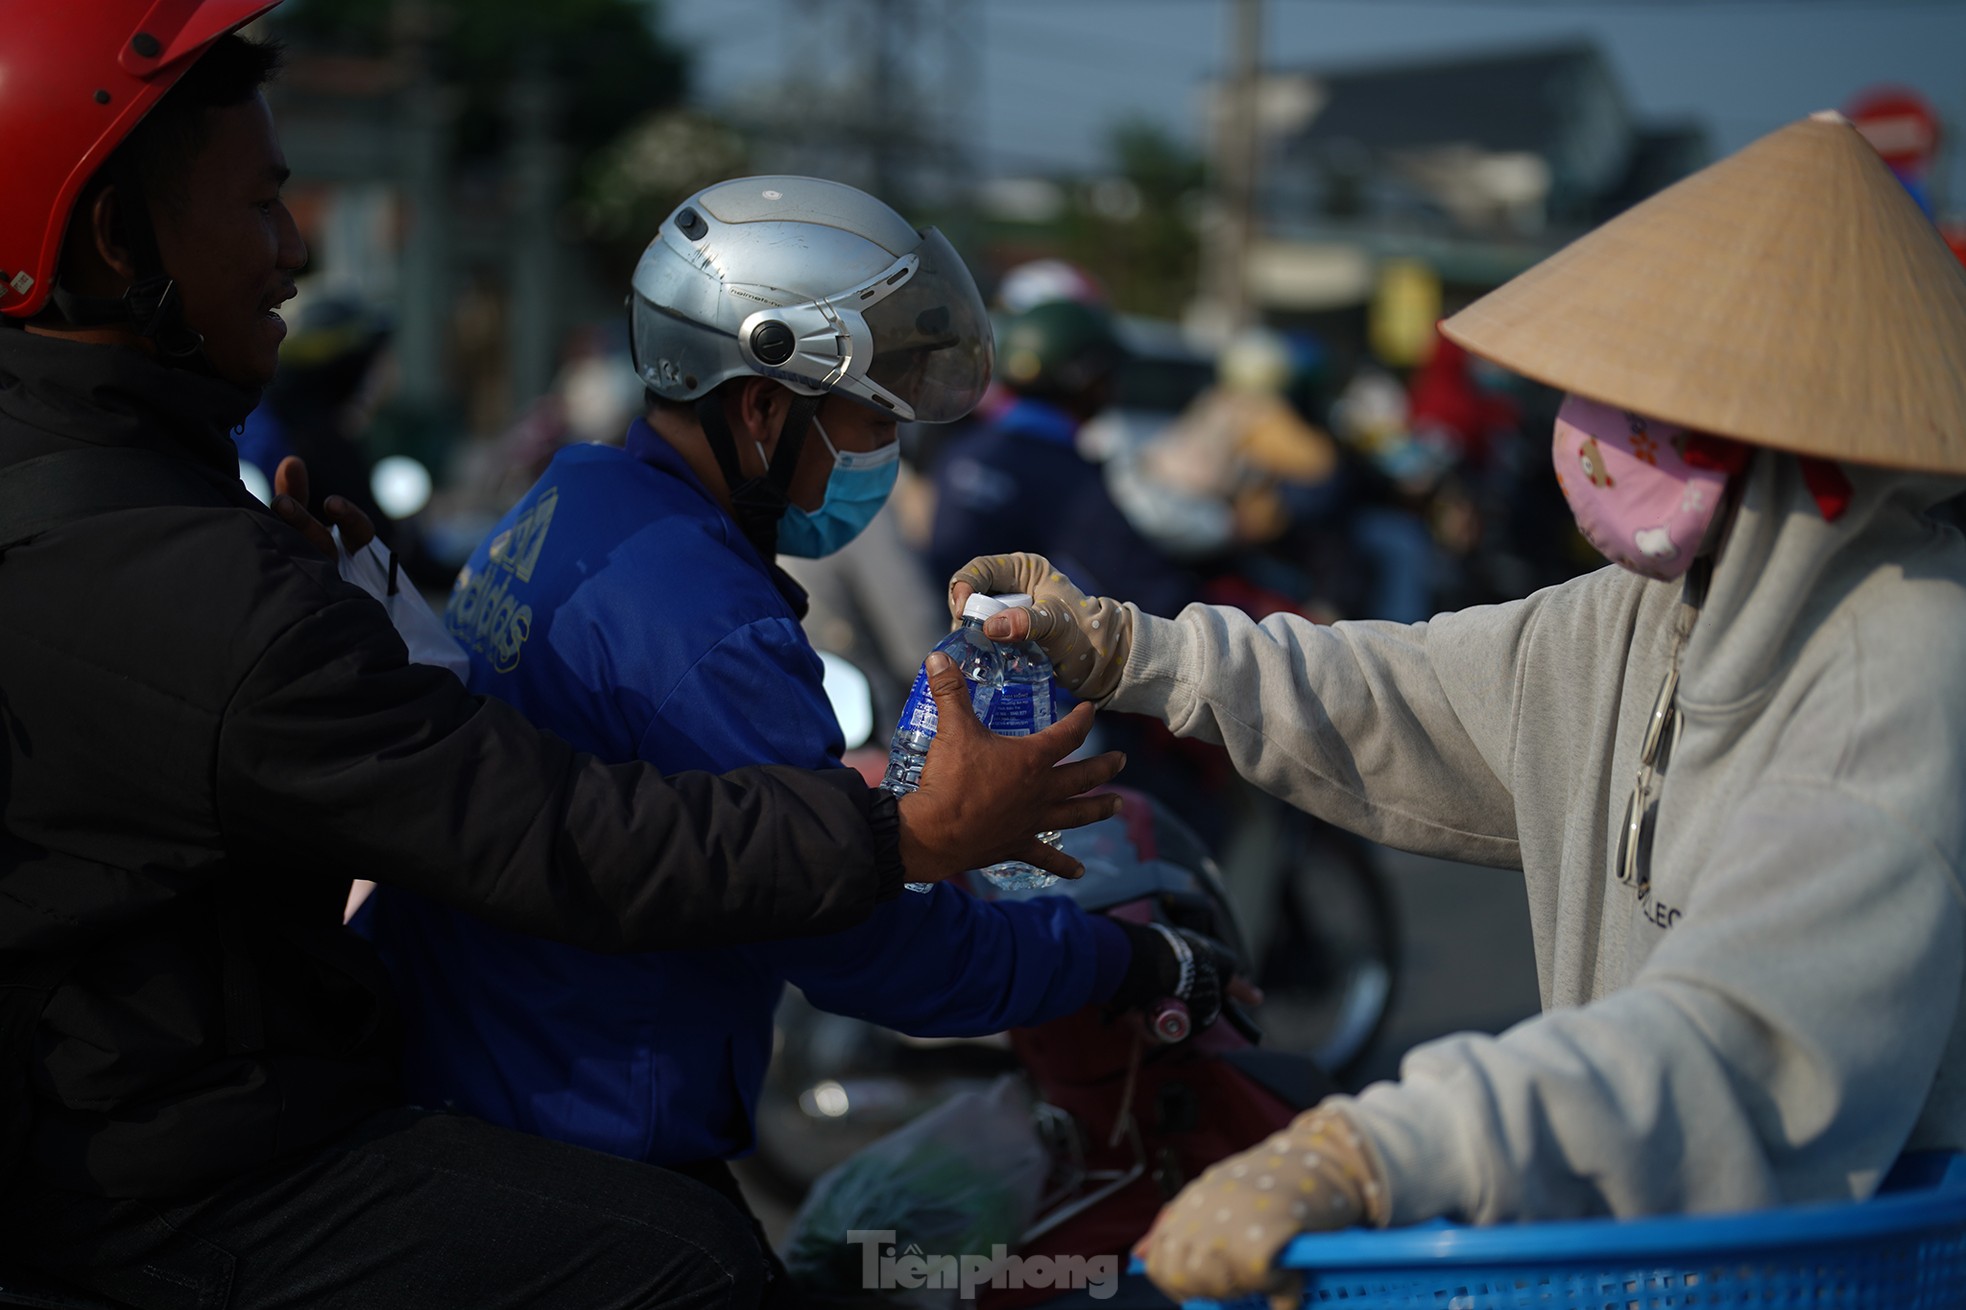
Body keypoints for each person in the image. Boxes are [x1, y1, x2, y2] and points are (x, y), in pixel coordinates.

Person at [0, 8, 1121, 1308]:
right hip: (178, 1157)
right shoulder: (192, 571)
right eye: (257, 208)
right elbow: (572, 836)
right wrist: (933, 853)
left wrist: (325, 612)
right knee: (686, 1265)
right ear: (111, 239)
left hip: (215, 1070)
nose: (294, 252)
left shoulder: (551, 499)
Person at [949, 111, 1966, 1305]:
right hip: (1657, 1237)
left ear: (1782, 431)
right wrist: (1131, 648)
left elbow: (1733, 1035)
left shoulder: (1904, 668)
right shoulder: (1640, 612)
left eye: (1651, 399)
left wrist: (1386, 1145)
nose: (1593, 427)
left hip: (1838, 1259)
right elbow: (1400, 693)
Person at [360, 178, 1230, 1303]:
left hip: (486, 1083)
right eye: (872, 421)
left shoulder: (575, 502)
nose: (887, 455)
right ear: (764, 408)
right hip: (591, 1148)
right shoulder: (705, 621)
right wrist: (1121, 960)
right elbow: (864, 943)